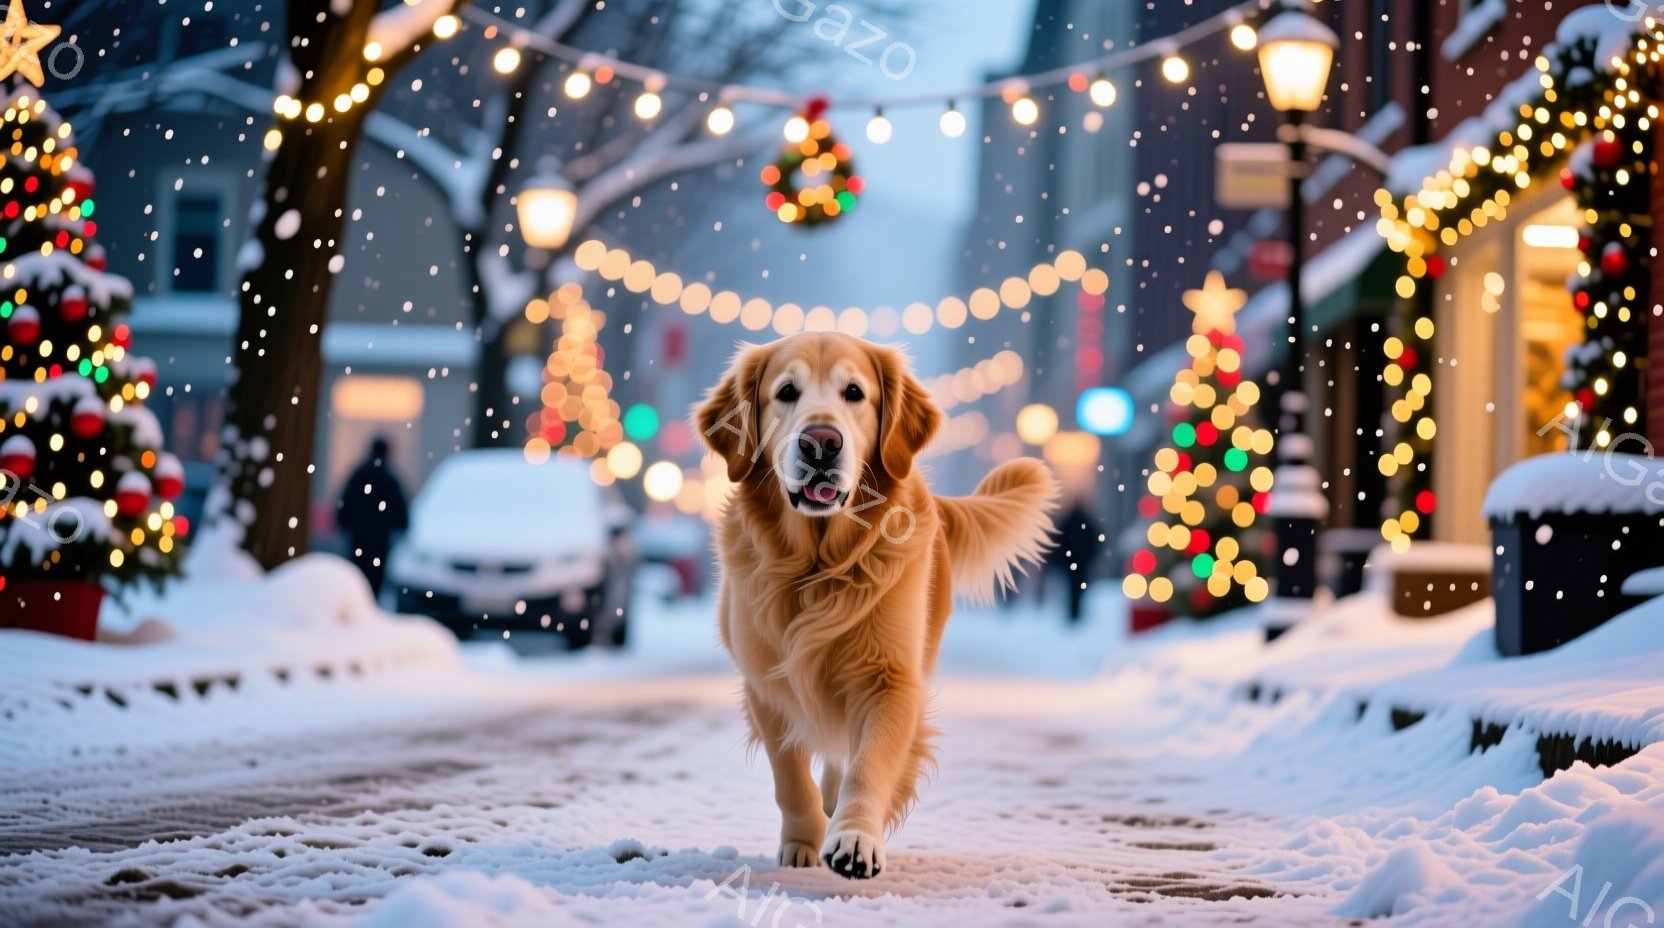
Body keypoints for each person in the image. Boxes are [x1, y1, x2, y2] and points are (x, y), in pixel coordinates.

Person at [336, 436, 409, 598]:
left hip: (358, 537)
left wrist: (345, 525)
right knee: (375, 577)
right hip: (380, 540)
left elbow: (345, 503)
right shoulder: (390, 478)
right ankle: (370, 604)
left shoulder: (358, 474)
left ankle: (356, 601)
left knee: (357, 574)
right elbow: (400, 510)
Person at [1047, 499, 1102, 623]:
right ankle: (1076, 613)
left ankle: (1073, 613)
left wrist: (1062, 559)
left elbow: (1058, 542)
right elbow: (1094, 542)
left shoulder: (1068, 521)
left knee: (1072, 587)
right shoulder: (1085, 522)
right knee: (1079, 588)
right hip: (1080, 563)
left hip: (1071, 563)